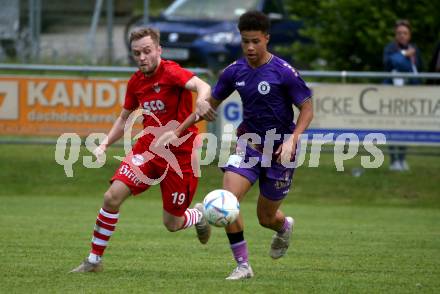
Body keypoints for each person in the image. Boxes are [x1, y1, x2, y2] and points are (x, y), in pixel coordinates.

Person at [70, 28, 212, 273]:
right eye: (137, 53)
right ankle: (93, 261)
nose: (142, 57)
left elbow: (203, 85)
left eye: (147, 51)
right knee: (111, 197)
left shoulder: (172, 72)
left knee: (172, 223)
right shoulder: (136, 82)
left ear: (159, 50)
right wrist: (104, 143)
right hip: (147, 151)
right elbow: (125, 118)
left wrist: (201, 99)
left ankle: (198, 215)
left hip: (180, 157)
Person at [196, 11, 313, 280]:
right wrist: (201, 105)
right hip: (248, 146)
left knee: (266, 218)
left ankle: (284, 227)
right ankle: (243, 265)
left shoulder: (283, 72)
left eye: (255, 41)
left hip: (280, 152)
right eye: (245, 41)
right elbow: (208, 105)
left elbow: (307, 109)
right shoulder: (234, 71)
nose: (250, 47)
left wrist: (292, 140)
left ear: (266, 39)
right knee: (228, 202)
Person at [383, 19, 422, 172]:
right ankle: (394, 161)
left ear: (409, 35)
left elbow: (418, 68)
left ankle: (402, 159)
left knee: (406, 126)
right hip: (392, 94)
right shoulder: (389, 49)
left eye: (405, 33)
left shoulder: (415, 49)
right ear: (395, 35)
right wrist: (404, 55)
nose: (402, 36)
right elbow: (390, 63)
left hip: (409, 93)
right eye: (399, 33)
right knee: (392, 126)